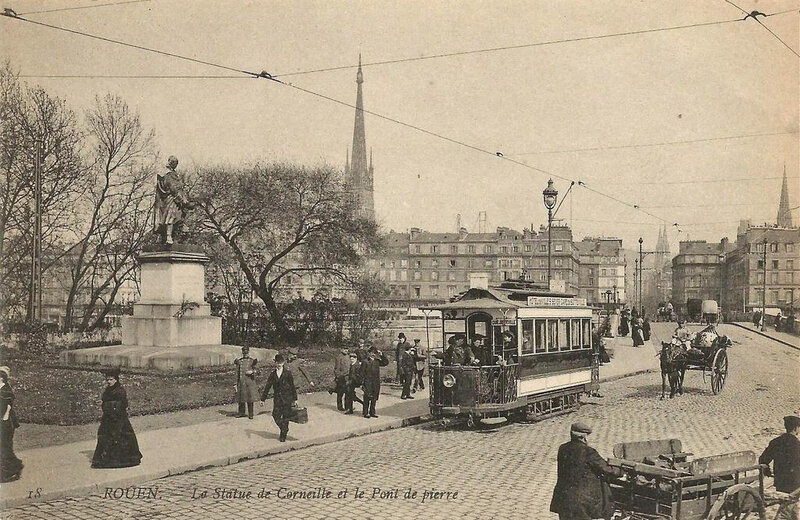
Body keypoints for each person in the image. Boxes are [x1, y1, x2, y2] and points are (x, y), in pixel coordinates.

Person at [550, 422, 623, 520]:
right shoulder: (588, 452)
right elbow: (608, 470)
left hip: (563, 498)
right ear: (584, 437)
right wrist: (621, 471)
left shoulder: (562, 448)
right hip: (581, 502)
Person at [91, 368, 142, 468]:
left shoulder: (120, 391)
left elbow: (122, 404)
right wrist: (103, 403)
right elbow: (107, 400)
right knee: (105, 436)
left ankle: (120, 460)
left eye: (111, 379)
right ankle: (104, 459)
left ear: (116, 380)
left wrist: (106, 405)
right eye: (107, 380)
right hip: (108, 418)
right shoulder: (108, 390)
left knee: (120, 436)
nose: (108, 382)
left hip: (118, 419)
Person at [760, 415, 800, 520]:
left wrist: (767, 471)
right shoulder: (797, 444)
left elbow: (763, 460)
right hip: (795, 482)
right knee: (789, 506)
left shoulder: (775, 442)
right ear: (796, 428)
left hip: (780, 480)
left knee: (787, 504)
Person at [153, 155, 194, 245]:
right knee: (171, 217)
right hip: (172, 200)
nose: (176, 165)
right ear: (172, 163)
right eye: (175, 163)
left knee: (173, 218)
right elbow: (175, 189)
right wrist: (185, 202)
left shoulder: (162, 175)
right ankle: (168, 237)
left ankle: (166, 237)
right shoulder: (170, 175)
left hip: (164, 201)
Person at [260, 354, 298, 442]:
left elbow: (292, 386)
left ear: (283, 362)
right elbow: (267, 386)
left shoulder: (287, 373)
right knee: (275, 415)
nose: (279, 364)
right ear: (275, 363)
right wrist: (263, 399)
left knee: (285, 417)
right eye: (277, 362)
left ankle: (283, 436)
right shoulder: (273, 374)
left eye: (281, 362)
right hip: (277, 399)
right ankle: (284, 428)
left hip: (287, 398)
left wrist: (295, 399)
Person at [0, 366, 23, 482]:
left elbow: (8, 408)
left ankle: (14, 468)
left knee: (5, 447)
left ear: (1, 379)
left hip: (7, 424)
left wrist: (3, 421)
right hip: (3, 422)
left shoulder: (5, 391)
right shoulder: (2, 389)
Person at [360, 346, 389, 418]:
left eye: (375, 353)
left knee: (374, 398)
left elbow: (385, 363)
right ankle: (365, 412)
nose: (373, 354)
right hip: (368, 382)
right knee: (367, 397)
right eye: (372, 353)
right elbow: (361, 373)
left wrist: (382, 354)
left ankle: (372, 412)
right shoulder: (365, 361)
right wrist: (362, 383)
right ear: (369, 353)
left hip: (375, 382)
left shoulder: (377, 361)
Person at [234, 346, 258, 419]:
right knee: (241, 397)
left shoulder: (252, 361)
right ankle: (241, 412)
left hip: (249, 382)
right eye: (244, 352)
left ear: (248, 352)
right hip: (241, 382)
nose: (245, 354)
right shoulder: (239, 361)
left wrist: (252, 371)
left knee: (249, 398)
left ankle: (251, 413)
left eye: (246, 352)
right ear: (242, 352)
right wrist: (235, 383)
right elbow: (237, 373)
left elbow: (258, 371)